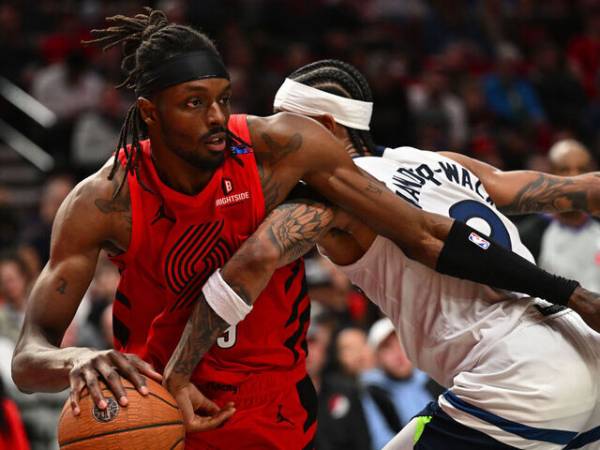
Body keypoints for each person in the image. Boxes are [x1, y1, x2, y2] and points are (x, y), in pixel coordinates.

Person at [10, 11, 597, 449]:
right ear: (149, 113)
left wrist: (567, 290)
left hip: (281, 405)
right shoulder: (101, 201)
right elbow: (29, 355)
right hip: (168, 407)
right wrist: (77, 360)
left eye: (223, 100)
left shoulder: (289, 157)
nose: (218, 119)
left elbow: (421, 235)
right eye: (194, 103)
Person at [185, 59, 600, 449]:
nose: (271, 142)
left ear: (327, 128)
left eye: (284, 129)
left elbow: (255, 259)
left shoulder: (330, 199)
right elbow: (581, 188)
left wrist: (178, 370)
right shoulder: (441, 161)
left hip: (516, 375)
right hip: (582, 348)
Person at [519, 139, 600, 292]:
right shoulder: (529, 235)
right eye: (564, 169)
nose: (575, 177)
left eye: (582, 169)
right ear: (550, 174)